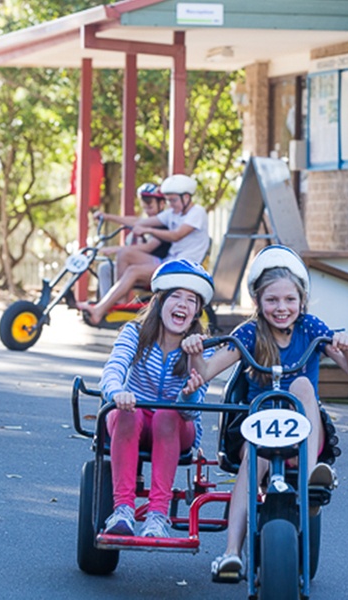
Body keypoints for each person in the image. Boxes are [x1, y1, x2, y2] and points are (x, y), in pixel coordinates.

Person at [181, 245, 348, 577]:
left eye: (290, 299)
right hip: (260, 428)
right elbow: (205, 371)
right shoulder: (249, 333)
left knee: (302, 386)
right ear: (257, 301)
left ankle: (310, 479)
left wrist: (345, 345)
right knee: (255, 458)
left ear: (302, 300)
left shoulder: (310, 328)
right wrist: (195, 351)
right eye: (272, 300)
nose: (282, 308)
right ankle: (231, 553)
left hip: (304, 434)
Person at [99, 259, 215, 538]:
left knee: (167, 413)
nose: (183, 304)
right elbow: (113, 369)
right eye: (176, 296)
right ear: (159, 301)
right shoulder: (135, 333)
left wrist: (188, 393)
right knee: (128, 412)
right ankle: (123, 509)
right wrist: (117, 393)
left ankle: (157, 515)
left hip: (176, 425)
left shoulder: (202, 347)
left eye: (191, 300)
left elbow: (192, 410)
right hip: (131, 416)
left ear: (196, 312)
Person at [77, 173, 210, 326]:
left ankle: (99, 310)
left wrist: (148, 230)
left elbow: (176, 235)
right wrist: (108, 217)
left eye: (173, 200)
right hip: (169, 262)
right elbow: (140, 222)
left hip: (184, 268)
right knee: (125, 253)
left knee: (133, 271)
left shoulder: (197, 212)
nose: (171, 204)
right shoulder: (173, 214)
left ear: (186, 197)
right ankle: (120, 304)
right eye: (168, 200)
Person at [95, 183, 171, 298]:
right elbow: (134, 221)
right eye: (144, 208)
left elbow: (148, 247)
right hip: (141, 262)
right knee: (105, 268)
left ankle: (119, 299)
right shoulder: (148, 221)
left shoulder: (163, 223)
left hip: (156, 265)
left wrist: (116, 249)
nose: (147, 211)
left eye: (150, 207)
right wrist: (107, 217)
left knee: (124, 256)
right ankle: (105, 301)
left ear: (161, 204)